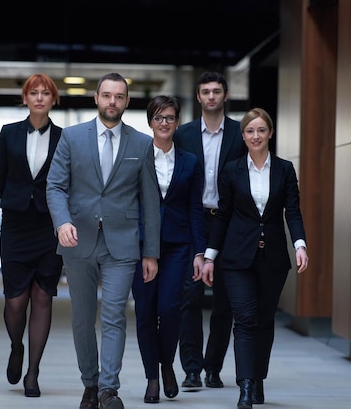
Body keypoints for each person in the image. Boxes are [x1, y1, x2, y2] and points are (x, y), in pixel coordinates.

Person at [46, 72, 161, 409]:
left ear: (127, 102)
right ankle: (91, 384)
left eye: (120, 96)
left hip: (122, 243)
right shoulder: (71, 137)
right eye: (107, 95)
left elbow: (150, 200)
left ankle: (110, 389)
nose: (113, 101)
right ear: (96, 99)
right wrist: (62, 222)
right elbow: (54, 186)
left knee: (114, 314)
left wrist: (150, 252)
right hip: (77, 240)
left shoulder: (141, 143)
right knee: (82, 316)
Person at [200, 107, 309, 409]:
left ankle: (258, 377)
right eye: (250, 131)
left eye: (261, 130)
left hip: (273, 258)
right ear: (243, 135)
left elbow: (293, 211)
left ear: (270, 133)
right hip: (236, 259)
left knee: (264, 320)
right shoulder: (232, 170)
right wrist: (210, 257)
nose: (256, 136)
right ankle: (245, 385)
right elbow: (221, 216)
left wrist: (300, 244)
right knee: (245, 320)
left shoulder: (285, 169)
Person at [0, 73, 64, 398]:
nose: (40, 98)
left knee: (43, 296)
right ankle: (17, 345)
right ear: (26, 98)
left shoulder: (63, 138)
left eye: (46, 93)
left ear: (53, 99)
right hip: (14, 226)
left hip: (49, 228)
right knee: (15, 302)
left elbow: (69, 185)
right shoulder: (8, 134)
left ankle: (33, 372)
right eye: (34, 93)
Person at [173, 71, 247, 389]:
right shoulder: (184, 134)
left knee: (224, 300)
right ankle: (191, 368)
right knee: (188, 297)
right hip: (194, 221)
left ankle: (213, 368)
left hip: (229, 222)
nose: (211, 96)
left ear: (225, 95)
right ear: (199, 97)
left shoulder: (240, 132)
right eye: (205, 91)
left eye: (217, 91)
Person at [131, 95, 206, 404]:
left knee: (170, 309)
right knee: (146, 311)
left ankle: (166, 364)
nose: (164, 123)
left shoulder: (190, 161)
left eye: (170, 118)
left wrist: (200, 252)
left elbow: (195, 209)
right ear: (150, 122)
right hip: (140, 245)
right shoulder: (136, 157)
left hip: (178, 245)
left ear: (177, 122)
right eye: (159, 118)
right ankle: (152, 377)